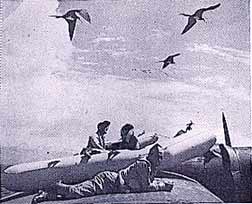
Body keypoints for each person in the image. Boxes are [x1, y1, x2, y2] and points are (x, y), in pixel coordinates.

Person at [31, 144, 173, 204]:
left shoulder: (148, 166)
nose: (160, 159)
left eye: (161, 156)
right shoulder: (144, 164)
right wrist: (162, 186)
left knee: (78, 191)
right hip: (109, 182)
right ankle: (50, 188)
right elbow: (145, 186)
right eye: (158, 156)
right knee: (77, 191)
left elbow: (144, 182)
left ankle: (48, 194)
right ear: (151, 155)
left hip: (111, 182)